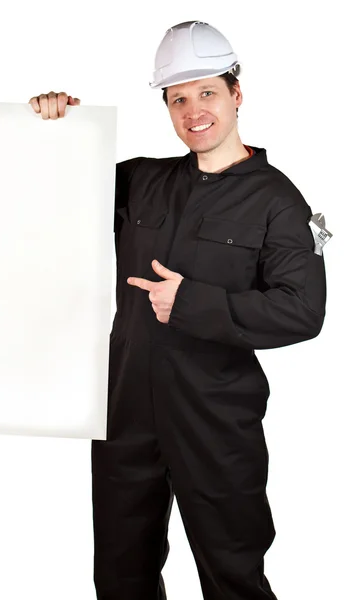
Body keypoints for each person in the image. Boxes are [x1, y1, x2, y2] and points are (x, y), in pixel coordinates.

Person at [29, 20, 327, 600]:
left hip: (216, 419)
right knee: (121, 576)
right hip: (125, 414)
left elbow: (302, 310)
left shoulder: (278, 200)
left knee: (233, 576)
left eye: (208, 92)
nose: (194, 110)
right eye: (178, 99)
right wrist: (53, 124)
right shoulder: (141, 181)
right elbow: (53, 188)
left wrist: (191, 303)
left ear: (236, 94)